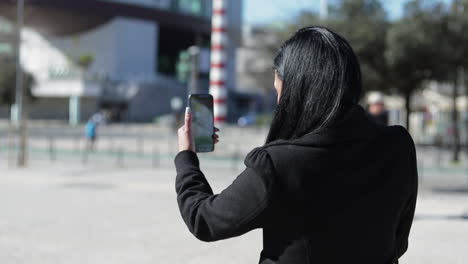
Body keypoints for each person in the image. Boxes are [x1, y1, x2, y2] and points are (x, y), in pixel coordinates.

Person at [175, 26, 418, 264]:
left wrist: (186, 157)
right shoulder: (398, 146)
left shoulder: (278, 166)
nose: (279, 101)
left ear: (296, 91)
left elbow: (205, 220)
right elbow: (399, 242)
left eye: (279, 92)